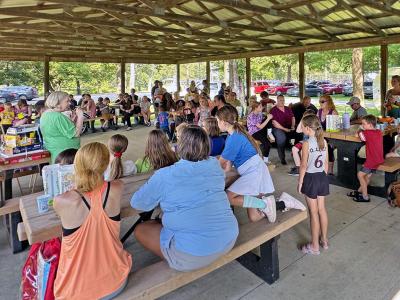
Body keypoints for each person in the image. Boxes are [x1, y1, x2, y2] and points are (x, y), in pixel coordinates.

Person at [131, 126, 238, 272]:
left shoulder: (165, 175)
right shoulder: (215, 166)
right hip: (228, 238)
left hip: (191, 255)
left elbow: (138, 202)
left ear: (180, 146)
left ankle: (173, 252)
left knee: (141, 229)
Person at [54, 142, 132, 299]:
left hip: (76, 292)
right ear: (105, 165)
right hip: (117, 281)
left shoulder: (62, 201)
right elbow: (98, 187)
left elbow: (84, 191)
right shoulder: (117, 187)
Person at [216, 105, 305, 223]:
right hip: (253, 171)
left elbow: (220, 163)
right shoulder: (232, 135)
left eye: (217, 121)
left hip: (254, 172)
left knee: (228, 197)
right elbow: (226, 167)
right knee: (255, 217)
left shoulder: (234, 138)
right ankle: (284, 202)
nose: (217, 124)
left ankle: (265, 204)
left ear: (223, 121)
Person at [298, 114, 329, 255]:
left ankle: (315, 246)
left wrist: (300, 182)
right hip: (322, 177)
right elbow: (326, 164)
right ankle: (324, 240)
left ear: (308, 128)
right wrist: (323, 177)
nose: (302, 129)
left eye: (303, 127)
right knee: (322, 210)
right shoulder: (323, 141)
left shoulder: (306, 143)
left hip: (310, 178)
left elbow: (303, 165)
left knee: (313, 212)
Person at [40, 91, 83, 163]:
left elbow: (61, 130)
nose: (69, 103)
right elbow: (76, 133)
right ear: (57, 103)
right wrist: (80, 117)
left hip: (57, 154)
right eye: (67, 101)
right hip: (66, 156)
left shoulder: (46, 114)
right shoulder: (58, 116)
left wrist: (72, 121)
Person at [349, 115, 384, 202]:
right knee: (367, 177)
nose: (363, 125)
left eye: (364, 124)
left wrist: (360, 129)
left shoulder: (367, 133)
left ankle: (365, 197)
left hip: (372, 160)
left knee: (360, 175)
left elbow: (358, 135)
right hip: (378, 159)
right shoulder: (379, 131)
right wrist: (363, 129)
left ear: (370, 125)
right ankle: (358, 192)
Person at [288, 109, 316, 176]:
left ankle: (304, 168)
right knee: (294, 149)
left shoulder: (314, 124)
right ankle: (298, 167)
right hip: (304, 142)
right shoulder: (304, 123)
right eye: (304, 117)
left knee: (302, 151)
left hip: (311, 142)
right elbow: (298, 130)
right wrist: (302, 119)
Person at [270, 95, 295, 165]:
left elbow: (293, 118)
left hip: (289, 127)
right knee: (281, 138)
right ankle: (282, 158)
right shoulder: (273, 110)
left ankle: (297, 155)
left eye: (283, 100)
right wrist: (285, 129)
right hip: (278, 128)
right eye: (280, 100)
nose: (282, 101)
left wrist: (293, 126)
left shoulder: (288, 108)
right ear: (277, 101)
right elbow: (274, 123)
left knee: (299, 134)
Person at [317, 95, 338, 174]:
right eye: (320, 101)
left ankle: (330, 171)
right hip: (321, 136)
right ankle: (321, 167)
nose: (320, 103)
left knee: (329, 148)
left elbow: (335, 129)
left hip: (331, 136)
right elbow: (316, 125)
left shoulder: (333, 112)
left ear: (328, 102)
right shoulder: (319, 111)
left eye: (322, 101)